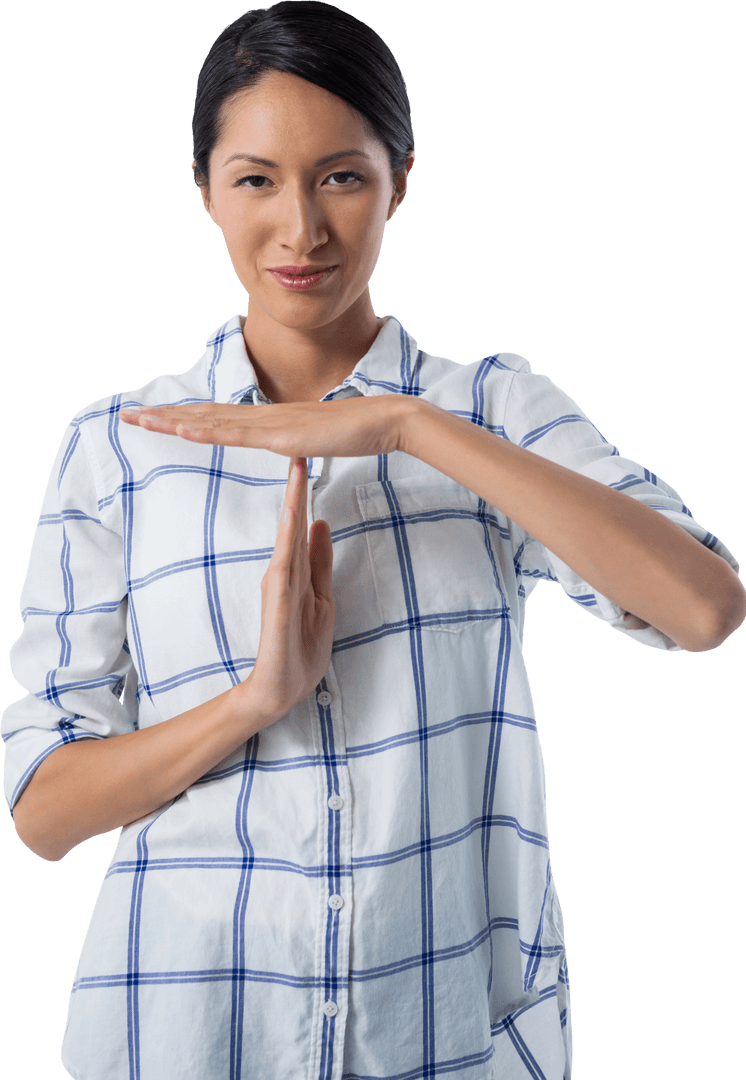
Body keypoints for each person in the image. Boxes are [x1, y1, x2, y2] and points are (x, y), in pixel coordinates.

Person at [2, 2, 744, 1079]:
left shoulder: (489, 409)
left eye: (341, 177)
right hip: (189, 1032)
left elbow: (703, 607)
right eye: (256, 179)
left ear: (400, 181)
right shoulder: (119, 444)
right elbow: (44, 811)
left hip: (450, 1036)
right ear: (204, 188)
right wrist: (254, 701)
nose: (300, 229)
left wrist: (407, 426)